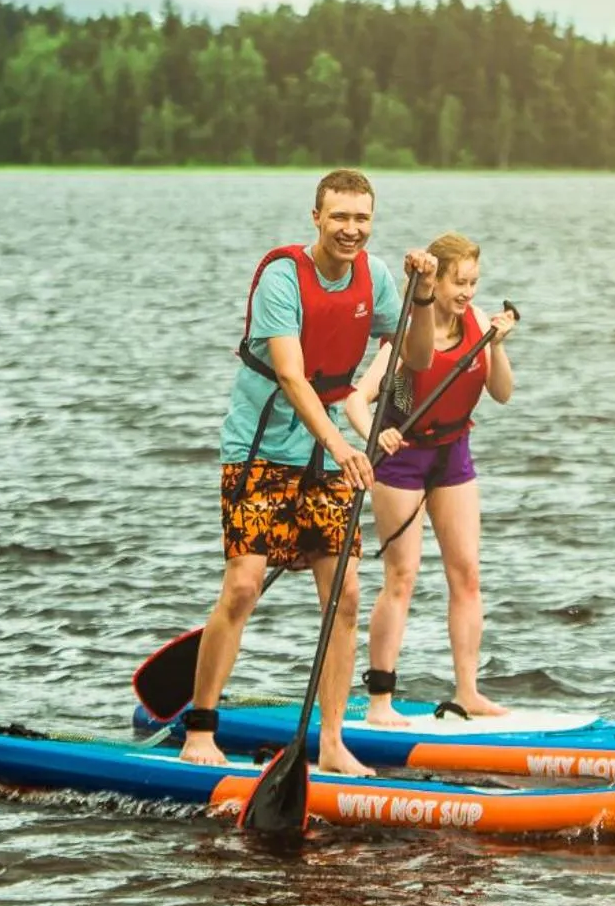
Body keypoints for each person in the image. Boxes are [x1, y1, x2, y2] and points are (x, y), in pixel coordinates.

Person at [178, 168, 439, 776]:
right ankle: (200, 729)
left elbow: (419, 355)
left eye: (362, 219)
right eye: (340, 217)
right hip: (261, 451)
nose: (351, 229)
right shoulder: (282, 277)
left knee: (344, 597)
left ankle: (331, 743)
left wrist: (422, 294)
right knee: (243, 587)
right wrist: (344, 443)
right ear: (316, 217)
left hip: (324, 457)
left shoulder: (375, 277)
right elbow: (293, 377)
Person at [344, 232, 517, 724]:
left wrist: (497, 348)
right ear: (434, 281)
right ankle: (380, 702)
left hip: (453, 456)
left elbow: (502, 393)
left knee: (466, 575)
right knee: (401, 576)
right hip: (402, 462)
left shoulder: (479, 323)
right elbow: (357, 401)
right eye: (459, 282)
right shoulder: (405, 336)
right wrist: (374, 437)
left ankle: (468, 692)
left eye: (474, 282)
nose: (467, 292)